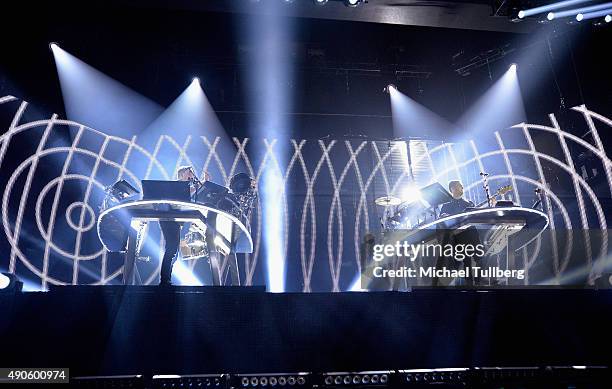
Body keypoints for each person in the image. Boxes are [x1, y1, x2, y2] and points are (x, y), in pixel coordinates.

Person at [159, 165, 208, 286]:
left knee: (174, 251)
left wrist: (203, 181)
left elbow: (193, 191)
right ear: (182, 174)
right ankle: (164, 280)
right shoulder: (176, 186)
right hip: (169, 220)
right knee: (171, 249)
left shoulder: (185, 187)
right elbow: (187, 191)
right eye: (189, 172)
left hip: (175, 221)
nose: (191, 174)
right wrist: (203, 181)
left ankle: (166, 279)